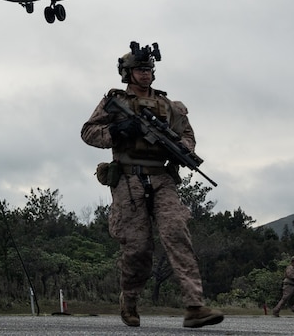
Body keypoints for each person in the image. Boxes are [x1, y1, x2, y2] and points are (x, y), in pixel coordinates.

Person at [81, 42, 224, 329]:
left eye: (148, 70)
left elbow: (187, 137)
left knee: (176, 233)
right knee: (138, 247)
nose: (145, 75)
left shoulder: (170, 105)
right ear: (128, 73)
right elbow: (88, 132)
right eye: (139, 70)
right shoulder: (115, 100)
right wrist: (117, 131)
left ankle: (195, 306)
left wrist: (181, 148)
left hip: (162, 178)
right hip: (128, 179)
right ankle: (130, 300)